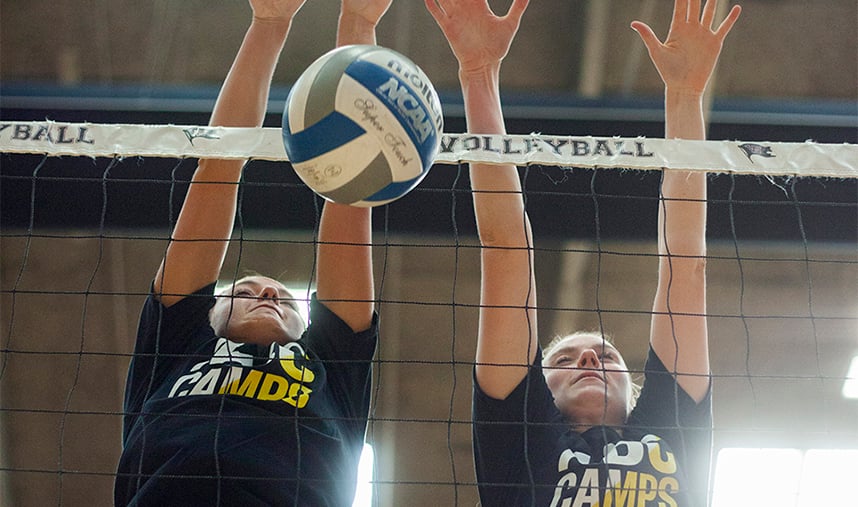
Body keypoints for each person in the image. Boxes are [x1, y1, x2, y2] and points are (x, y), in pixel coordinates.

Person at [426, 0, 741, 505]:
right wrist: (477, 74)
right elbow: (506, 248)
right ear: (539, 388)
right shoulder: (519, 437)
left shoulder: (670, 429)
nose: (590, 357)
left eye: (605, 356)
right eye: (565, 359)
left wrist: (686, 95)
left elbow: (687, 263)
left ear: (634, 390)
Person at [114, 0, 392, 505]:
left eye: (284, 298)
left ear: (307, 329)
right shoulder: (175, 350)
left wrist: (359, 22)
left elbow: (350, 196)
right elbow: (217, 169)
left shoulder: (331, 370)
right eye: (243, 291)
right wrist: (269, 23)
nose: (267, 292)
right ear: (210, 312)